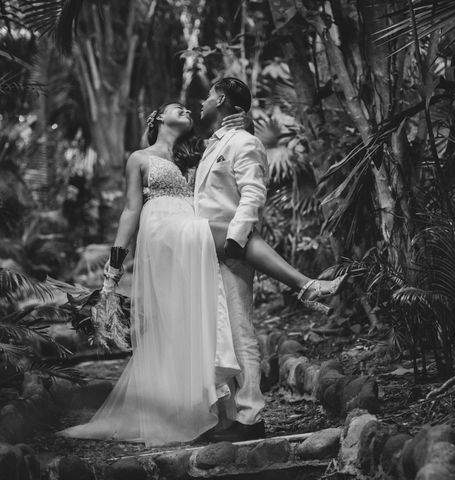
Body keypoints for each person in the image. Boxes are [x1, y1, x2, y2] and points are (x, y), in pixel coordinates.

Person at [57, 95, 343, 446]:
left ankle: (207, 405)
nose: (187, 111)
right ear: (158, 118)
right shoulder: (140, 158)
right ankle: (304, 285)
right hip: (165, 230)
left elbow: (230, 145)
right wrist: (112, 271)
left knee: (201, 317)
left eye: (189, 109)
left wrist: (245, 123)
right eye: (177, 108)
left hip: (190, 229)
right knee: (237, 235)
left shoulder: (196, 154)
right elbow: (130, 211)